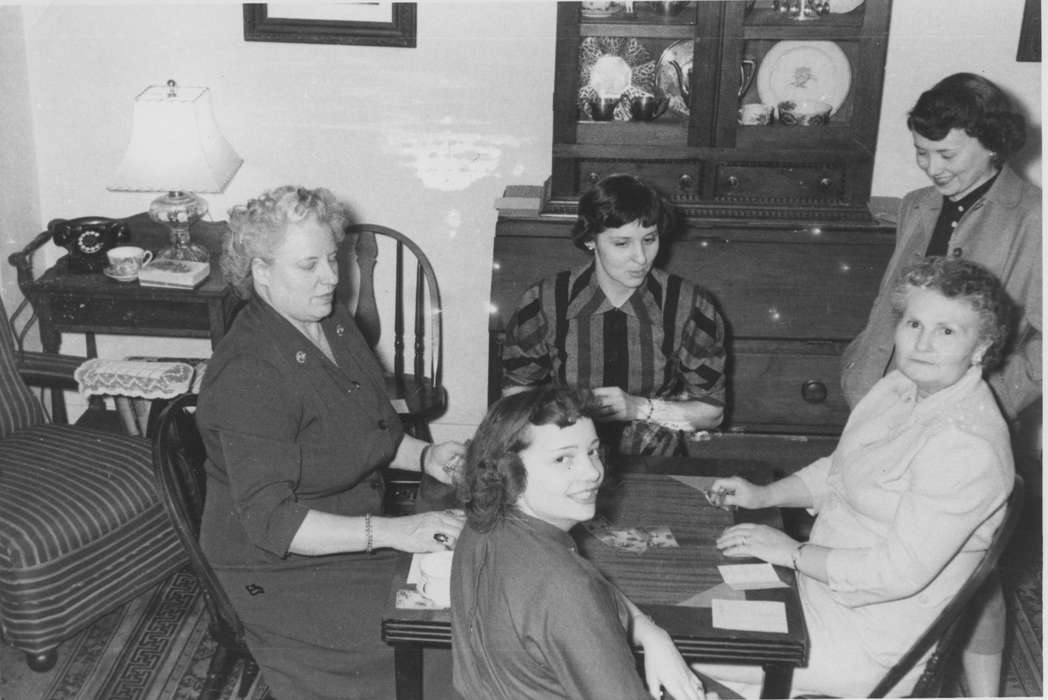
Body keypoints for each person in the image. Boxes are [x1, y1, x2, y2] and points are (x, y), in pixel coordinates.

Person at [697, 257, 1015, 698]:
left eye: (947, 331)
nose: (922, 343)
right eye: (913, 324)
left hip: (868, 636)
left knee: (670, 635)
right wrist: (765, 493)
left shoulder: (966, 446)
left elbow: (895, 574)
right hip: (816, 590)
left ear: (981, 347)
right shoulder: (900, 387)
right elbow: (840, 469)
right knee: (687, 596)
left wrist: (792, 552)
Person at [195, 185, 466, 700]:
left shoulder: (330, 322)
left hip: (348, 534)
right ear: (260, 272)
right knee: (442, 636)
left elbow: (373, 432)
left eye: (332, 258)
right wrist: (398, 531)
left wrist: (427, 456)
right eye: (308, 265)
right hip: (278, 571)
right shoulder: (249, 372)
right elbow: (274, 524)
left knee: (473, 587)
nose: (332, 278)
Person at [840, 72, 1041, 695]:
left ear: (990, 143)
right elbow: (889, 305)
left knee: (970, 576)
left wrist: (985, 407)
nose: (931, 168)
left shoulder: (1031, 217)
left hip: (963, 417)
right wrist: (859, 373)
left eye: (945, 154)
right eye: (922, 153)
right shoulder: (918, 206)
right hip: (889, 402)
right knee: (881, 545)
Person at [450, 386, 715, 700]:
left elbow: (579, 590)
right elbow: (570, 592)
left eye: (592, 451)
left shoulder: (481, 526)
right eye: (563, 459)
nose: (593, 472)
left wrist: (650, 631)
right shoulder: (566, 587)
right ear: (510, 471)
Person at [500, 173, 726, 456]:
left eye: (649, 239)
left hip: (654, 460)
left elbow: (712, 412)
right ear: (591, 240)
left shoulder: (690, 305)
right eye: (622, 243)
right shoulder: (544, 302)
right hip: (566, 453)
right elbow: (514, 398)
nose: (641, 257)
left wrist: (639, 408)